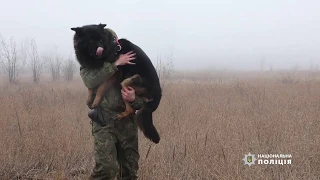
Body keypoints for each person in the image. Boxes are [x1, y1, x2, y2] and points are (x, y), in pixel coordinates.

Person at [80, 30, 145, 180]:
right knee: (106, 169)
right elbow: (89, 81)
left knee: (129, 172)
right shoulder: (90, 64)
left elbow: (145, 100)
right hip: (104, 122)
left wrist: (134, 98)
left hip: (127, 125)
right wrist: (115, 64)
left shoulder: (131, 62)